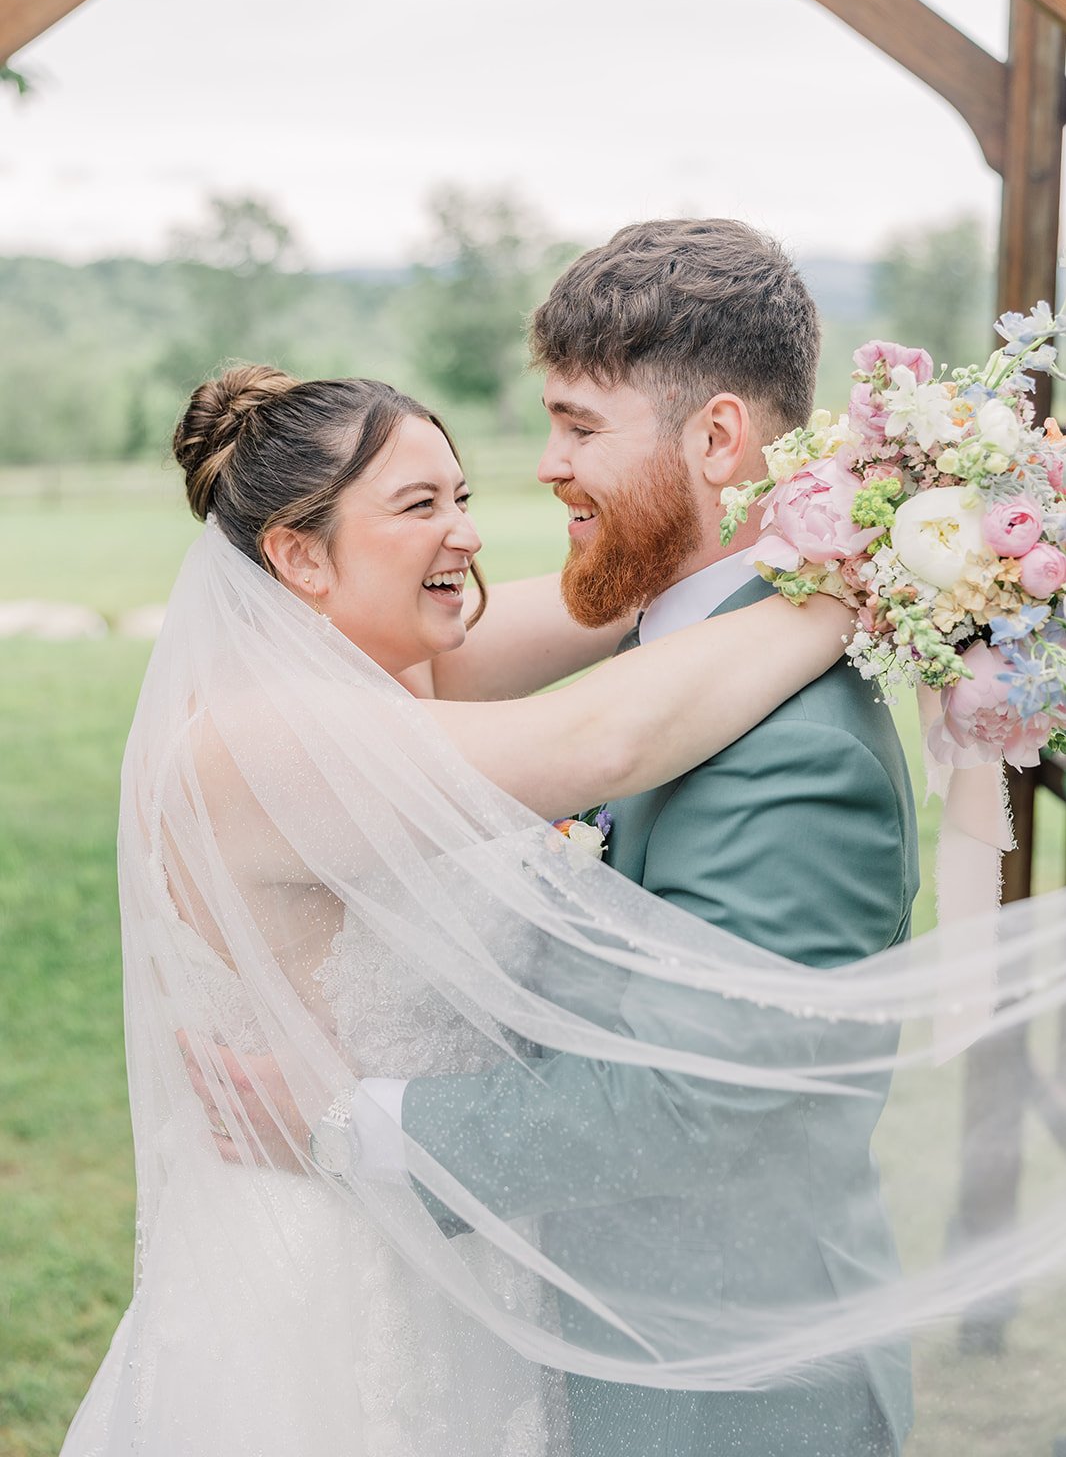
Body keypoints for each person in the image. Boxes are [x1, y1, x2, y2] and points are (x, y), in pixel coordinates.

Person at [58, 340, 855, 1457]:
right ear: (298, 555)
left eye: (463, 496)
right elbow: (602, 735)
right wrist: (864, 589)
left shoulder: (388, 669)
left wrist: (837, 512)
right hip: (328, 1276)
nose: (469, 532)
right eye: (421, 504)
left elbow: (630, 594)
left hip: (448, 1233)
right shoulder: (253, 742)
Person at [342, 219, 918, 1455]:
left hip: (730, 1392)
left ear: (716, 438)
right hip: (620, 1350)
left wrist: (346, 1123)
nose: (544, 466)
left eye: (579, 425)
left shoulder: (796, 748)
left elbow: (682, 1103)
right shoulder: (680, 654)